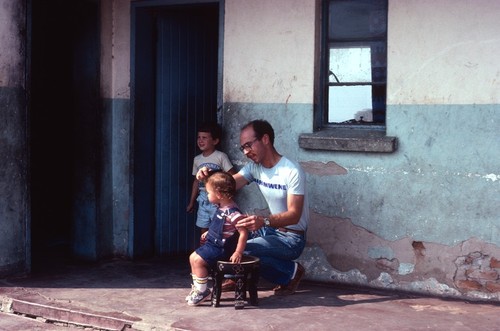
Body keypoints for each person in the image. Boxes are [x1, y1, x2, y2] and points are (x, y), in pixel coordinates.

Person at [197, 119, 308, 296]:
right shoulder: (254, 168)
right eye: (243, 148)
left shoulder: (291, 171)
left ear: (265, 139)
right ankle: (236, 275)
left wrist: (263, 221)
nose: (246, 152)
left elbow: (294, 215)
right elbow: (227, 185)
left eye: (249, 145)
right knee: (229, 242)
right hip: (270, 231)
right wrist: (209, 177)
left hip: (291, 238)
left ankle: (291, 272)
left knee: (240, 249)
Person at [186, 171, 248, 306]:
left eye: (208, 193)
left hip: (222, 249)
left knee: (197, 260)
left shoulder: (233, 213)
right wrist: (209, 233)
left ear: (219, 194)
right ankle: (197, 288)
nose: (207, 196)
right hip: (213, 243)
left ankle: (203, 291)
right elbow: (221, 227)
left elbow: (243, 233)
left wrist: (238, 252)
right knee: (192, 257)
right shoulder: (220, 208)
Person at [187, 122, 236, 236]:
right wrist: (191, 202)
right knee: (203, 228)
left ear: (215, 141)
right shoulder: (197, 159)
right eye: (199, 137)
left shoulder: (221, 156)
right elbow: (196, 181)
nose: (200, 140)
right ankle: (204, 250)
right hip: (203, 199)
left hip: (217, 198)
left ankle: (216, 251)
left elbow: (232, 176)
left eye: (204, 138)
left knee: (218, 227)